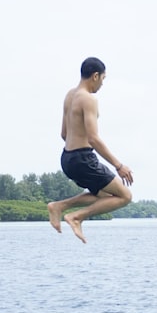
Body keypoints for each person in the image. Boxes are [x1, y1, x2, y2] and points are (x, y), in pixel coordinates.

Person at [48, 57, 133, 243]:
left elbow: (63, 133)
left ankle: (59, 207)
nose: (102, 84)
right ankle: (76, 217)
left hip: (67, 158)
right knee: (125, 196)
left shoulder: (70, 95)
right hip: (83, 158)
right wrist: (119, 166)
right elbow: (94, 138)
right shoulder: (89, 100)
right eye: (103, 79)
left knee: (103, 195)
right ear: (95, 76)